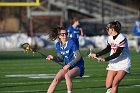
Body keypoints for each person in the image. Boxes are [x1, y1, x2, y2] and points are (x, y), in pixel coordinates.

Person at [89, 20, 131, 93]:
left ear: (112, 29)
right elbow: (108, 49)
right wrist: (97, 54)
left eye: (108, 28)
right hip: (113, 63)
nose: (107, 29)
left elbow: (118, 53)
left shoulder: (122, 38)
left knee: (115, 83)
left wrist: (105, 59)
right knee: (108, 86)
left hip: (123, 63)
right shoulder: (110, 38)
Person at [46, 26, 85, 93]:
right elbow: (60, 59)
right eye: (62, 34)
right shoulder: (58, 45)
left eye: (66, 34)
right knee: (55, 80)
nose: (65, 35)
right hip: (67, 66)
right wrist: (53, 58)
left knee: (67, 75)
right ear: (59, 36)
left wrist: (69, 65)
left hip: (78, 66)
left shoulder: (72, 42)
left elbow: (78, 56)